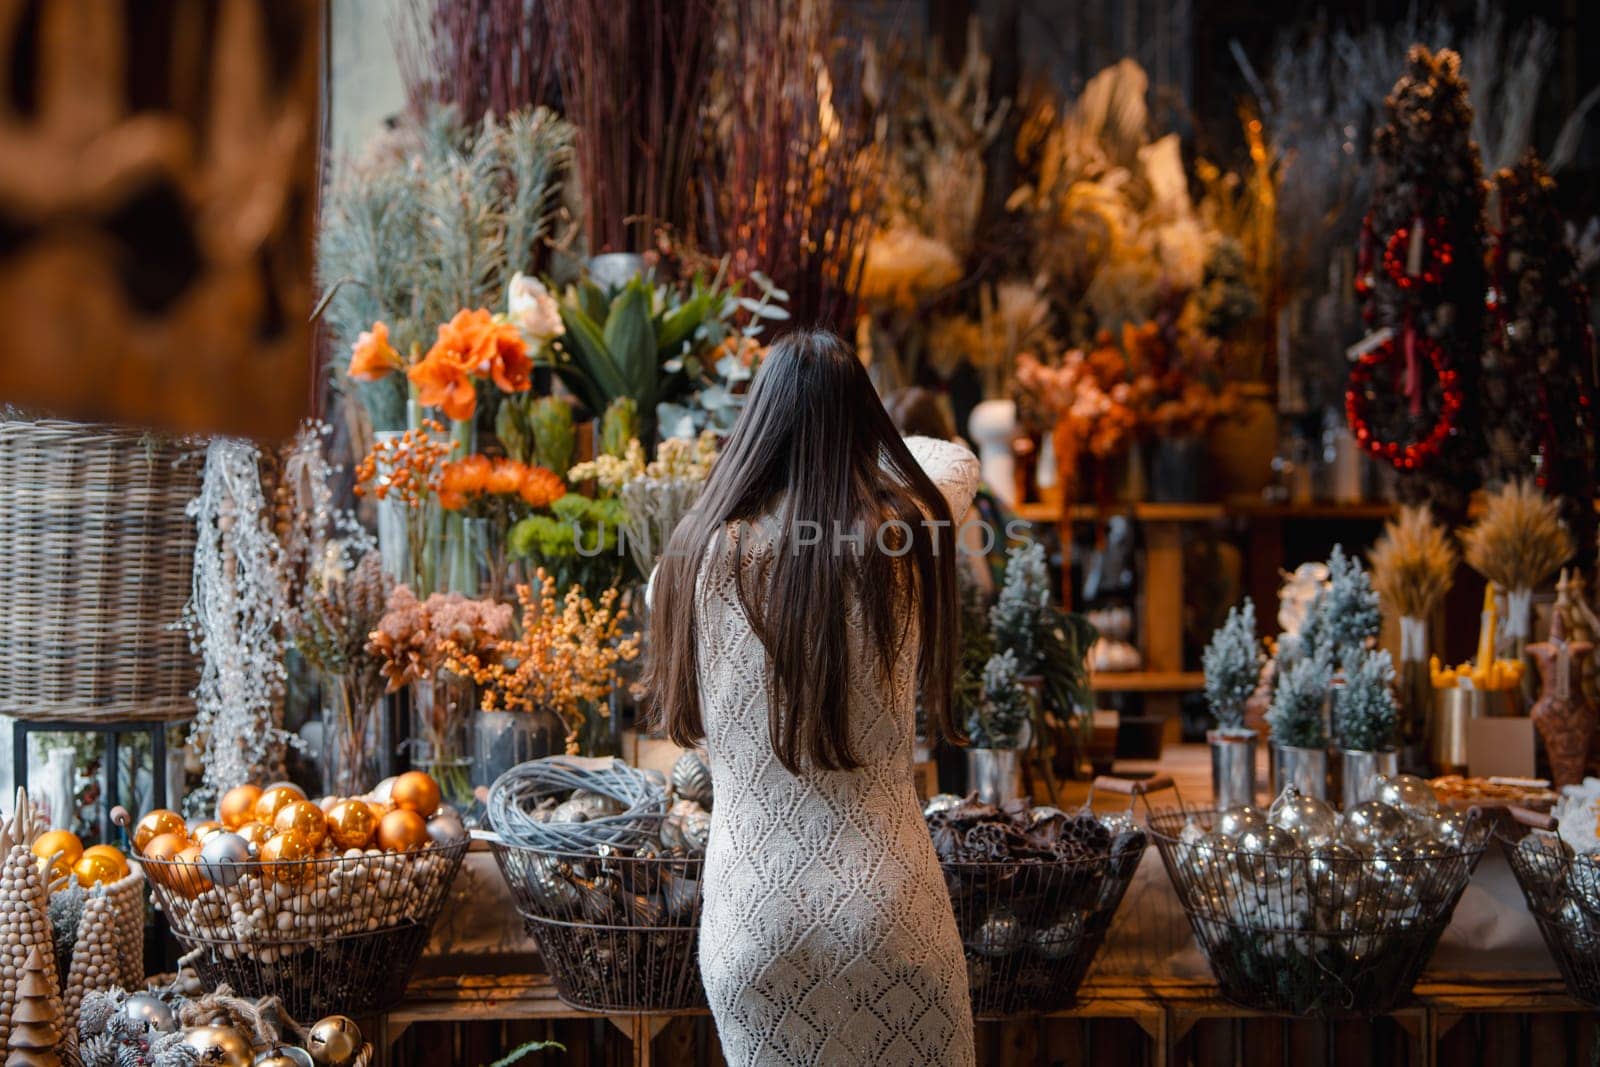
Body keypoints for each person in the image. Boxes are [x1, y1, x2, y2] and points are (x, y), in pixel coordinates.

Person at [647, 330, 979, 1066]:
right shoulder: (899, 545)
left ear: (756, 430)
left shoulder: (689, 562)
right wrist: (861, 447)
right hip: (889, 903)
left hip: (750, 919)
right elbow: (954, 459)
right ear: (862, 429)